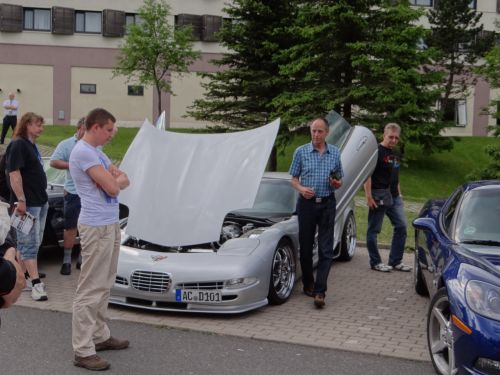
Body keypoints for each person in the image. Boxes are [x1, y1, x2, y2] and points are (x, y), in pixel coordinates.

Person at [69, 108, 130, 371]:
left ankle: (100, 335)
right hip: (95, 226)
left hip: (110, 223)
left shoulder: (98, 154)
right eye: (108, 130)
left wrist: (114, 180)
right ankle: (83, 350)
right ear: (95, 127)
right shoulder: (83, 152)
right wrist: (113, 180)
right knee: (91, 287)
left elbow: (123, 178)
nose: (110, 135)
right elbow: (115, 186)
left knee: (105, 283)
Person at [289, 117, 343, 309]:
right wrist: (302, 189)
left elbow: (339, 178)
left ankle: (320, 291)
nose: (316, 134)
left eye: (320, 131)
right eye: (313, 131)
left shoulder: (335, 153)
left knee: (325, 249)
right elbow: (293, 179)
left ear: (326, 133)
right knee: (305, 247)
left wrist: (336, 183)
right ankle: (308, 284)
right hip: (307, 204)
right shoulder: (301, 152)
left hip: (327, 203)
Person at [5, 112, 48, 301]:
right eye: (38, 124)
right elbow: (14, 174)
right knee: (28, 243)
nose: (41, 128)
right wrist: (21, 200)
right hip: (27, 204)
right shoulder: (18, 144)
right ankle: (36, 283)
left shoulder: (31, 145)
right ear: (27, 125)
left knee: (30, 243)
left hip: (39, 201)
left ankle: (18, 279)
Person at [363, 123, 411, 273]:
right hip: (379, 195)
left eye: (396, 138)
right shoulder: (376, 151)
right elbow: (367, 174)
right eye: (391, 137)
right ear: (384, 135)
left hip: (394, 197)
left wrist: (400, 194)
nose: (393, 140)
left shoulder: (395, 153)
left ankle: (396, 261)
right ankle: (375, 262)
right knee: (374, 229)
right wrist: (369, 196)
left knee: (402, 226)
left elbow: (395, 175)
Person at [50, 117, 86, 275]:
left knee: (87, 227)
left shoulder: (95, 145)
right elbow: (53, 162)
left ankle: (82, 258)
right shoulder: (66, 144)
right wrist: (72, 164)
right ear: (79, 128)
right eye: (86, 129)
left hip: (90, 193)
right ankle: (66, 261)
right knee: (70, 226)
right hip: (72, 192)